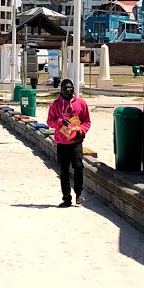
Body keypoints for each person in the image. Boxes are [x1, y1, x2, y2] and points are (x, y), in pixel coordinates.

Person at [46, 78, 91, 207]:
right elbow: (50, 121)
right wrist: (60, 122)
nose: (68, 90)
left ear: (73, 89)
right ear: (61, 90)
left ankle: (79, 194)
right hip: (61, 143)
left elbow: (87, 121)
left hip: (76, 142)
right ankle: (66, 198)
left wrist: (80, 130)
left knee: (78, 167)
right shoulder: (55, 104)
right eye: (65, 88)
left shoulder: (81, 104)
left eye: (70, 88)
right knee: (64, 171)